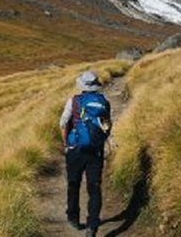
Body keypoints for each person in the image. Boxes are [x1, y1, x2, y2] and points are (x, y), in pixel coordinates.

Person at [59, 71, 112, 237]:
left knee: (73, 184)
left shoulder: (74, 101)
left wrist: (66, 144)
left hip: (75, 150)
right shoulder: (104, 102)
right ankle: (92, 225)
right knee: (94, 188)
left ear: (82, 85)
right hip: (95, 151)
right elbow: (107, 126)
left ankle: (73, 217)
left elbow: (63, 123)